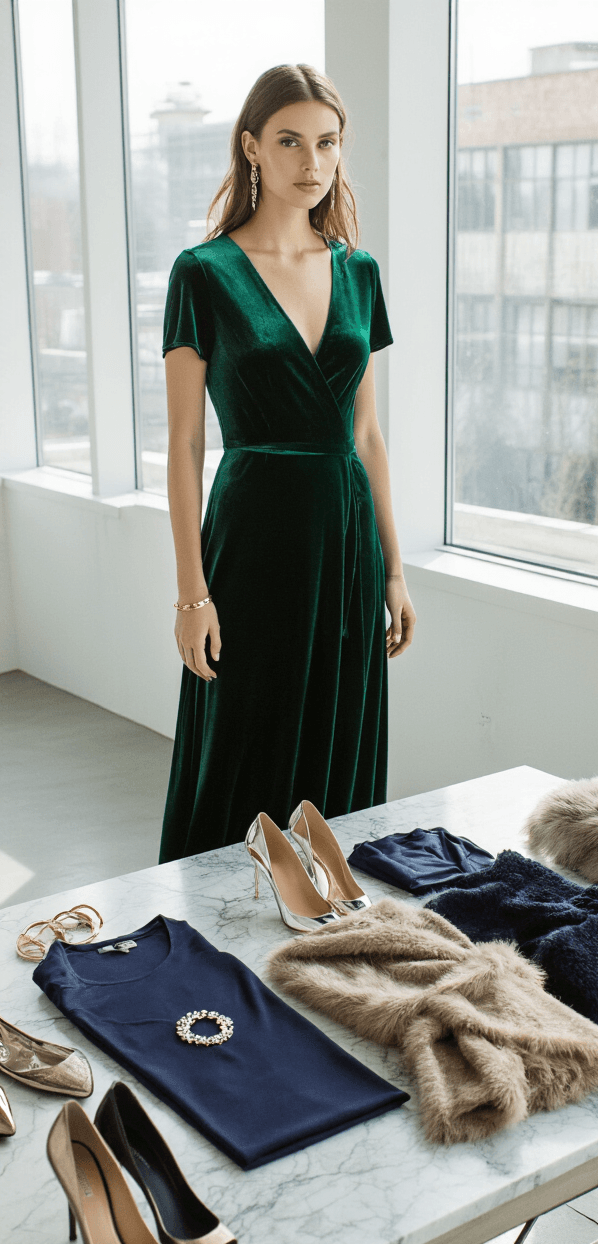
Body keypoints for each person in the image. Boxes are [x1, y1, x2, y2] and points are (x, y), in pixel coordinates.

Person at [159, 63, 415, 863]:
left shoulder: (358, 272)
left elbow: (368, 435)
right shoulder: (202, 273)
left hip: (344, 539)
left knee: (339, 743)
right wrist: (191, 594)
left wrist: (395, 571)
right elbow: (186, 444)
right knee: (242, 737)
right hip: (252, 531)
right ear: (252, 149)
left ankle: (322, 927)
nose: (312, 161)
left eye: (328, 143)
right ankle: (211, 924)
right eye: (291, 141)